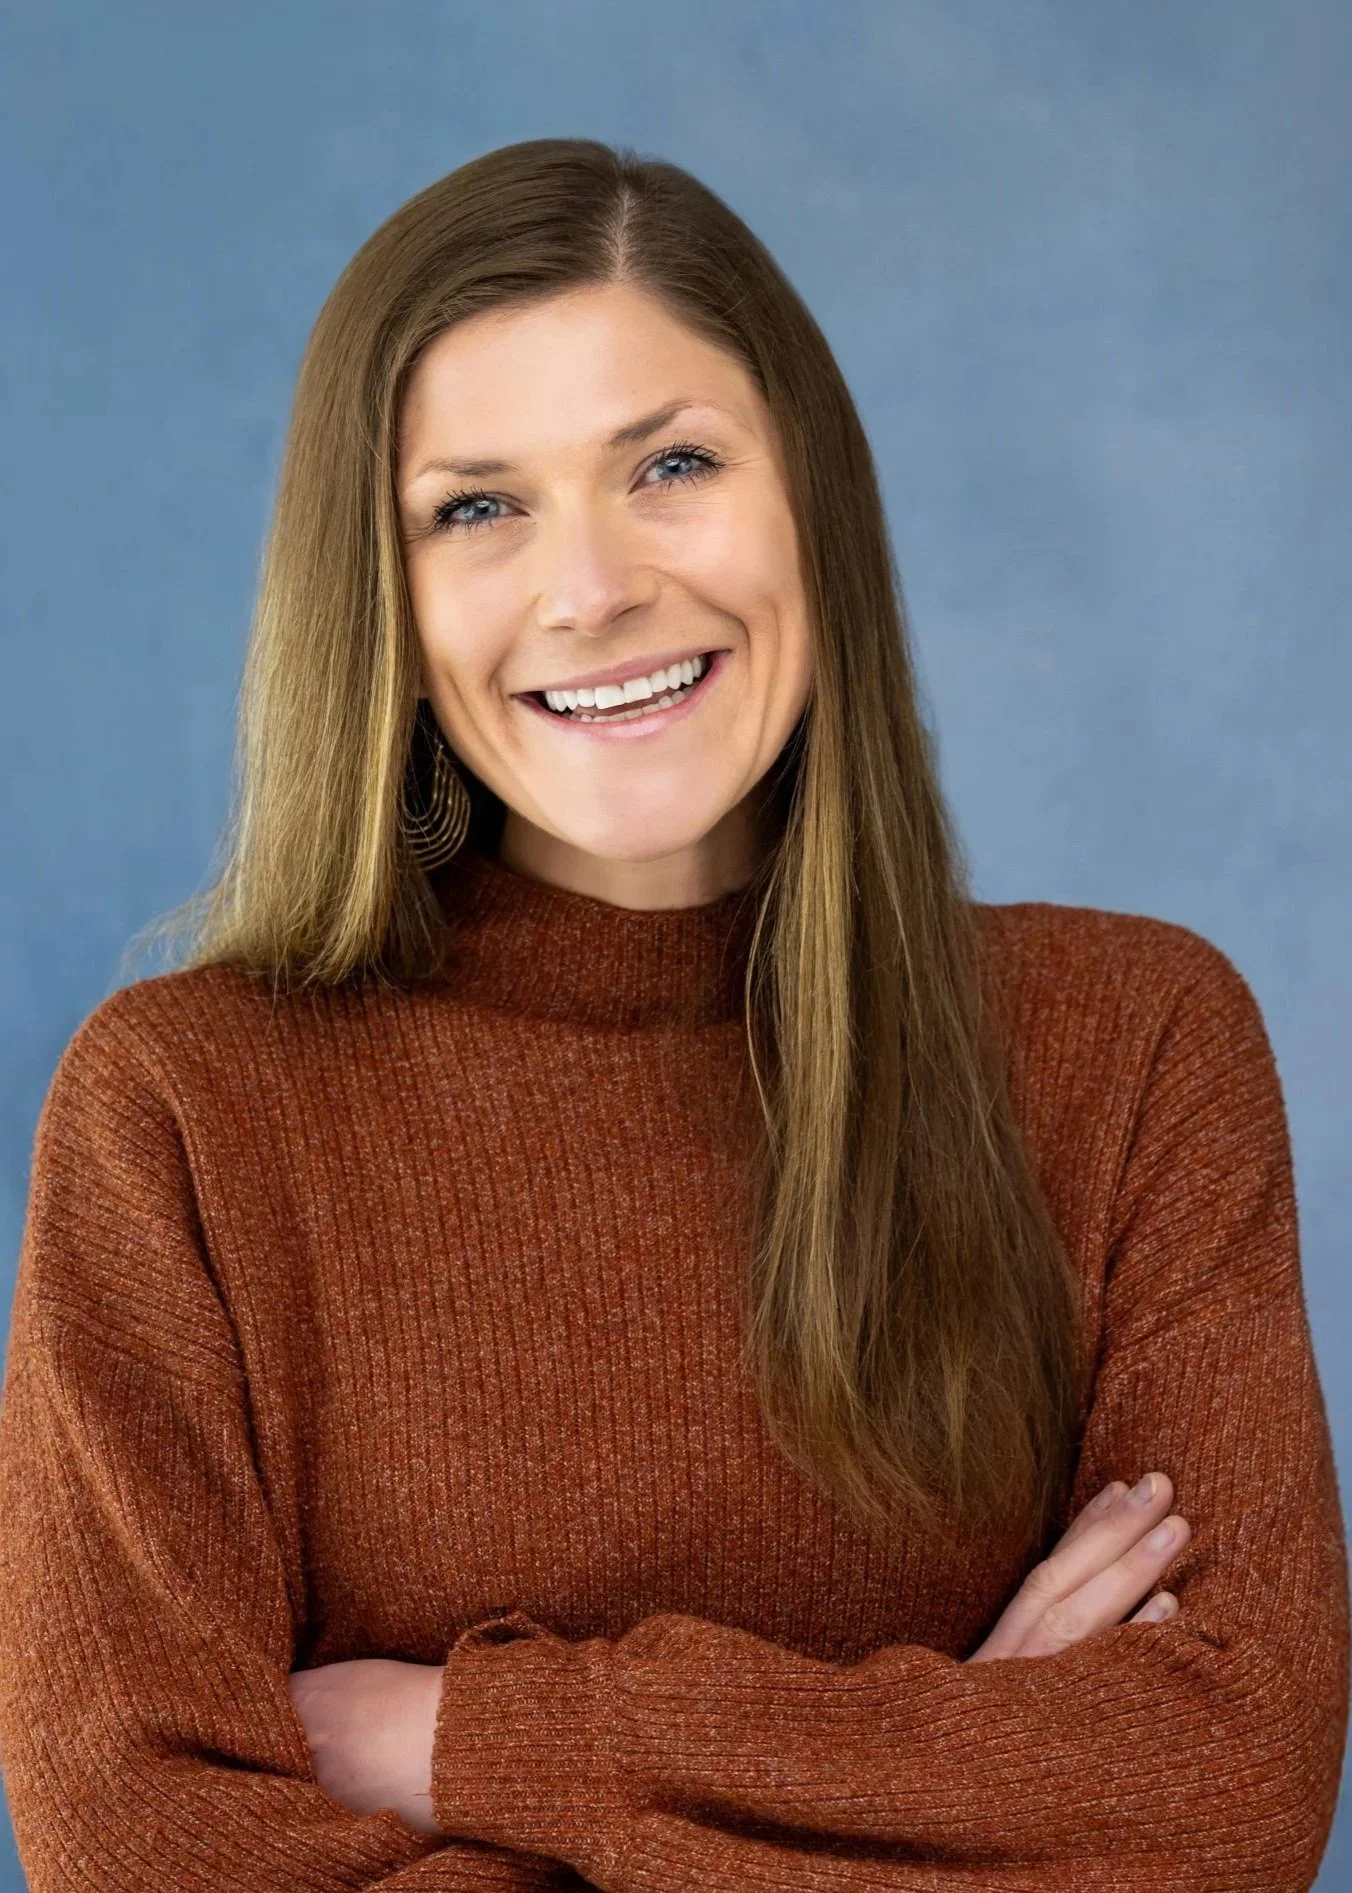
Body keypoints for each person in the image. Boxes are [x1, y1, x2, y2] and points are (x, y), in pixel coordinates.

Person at [0, 136, 1345, 1891]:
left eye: (673, 466)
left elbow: (1232, 1794)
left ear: (818, 509)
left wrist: (459, 1745)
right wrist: (956, 1772)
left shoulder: (1135, 1046)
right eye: (477, 507)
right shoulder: (182, 1114)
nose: (591, 589)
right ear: (384, 606)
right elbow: (140, 1844)